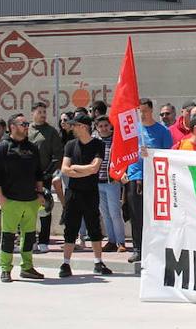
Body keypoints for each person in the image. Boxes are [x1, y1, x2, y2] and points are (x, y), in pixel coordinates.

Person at [0, 114, 46, 282]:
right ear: (12, 126)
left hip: (31, 200)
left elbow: (38, 173)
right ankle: (5, 269)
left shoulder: (32, 147)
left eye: (27, 124)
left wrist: (40, 193)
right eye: (23, 124)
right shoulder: (3, 147)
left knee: (28, 236)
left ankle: (27, 267)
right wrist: (0, 197)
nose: (27, 126)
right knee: (8, 236)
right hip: (11, 200)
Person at [57, 114, 111, 277]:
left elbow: (95, 168)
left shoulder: (98, 145)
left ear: (83, 127)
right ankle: (66, 264)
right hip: (73, 192)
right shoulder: (70, 145)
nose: (72, 128)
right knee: (71, 227)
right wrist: (84, 171)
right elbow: (64, 169)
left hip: (90, 192)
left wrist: (76, 168)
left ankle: (98, 262)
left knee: (94, 226)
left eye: (75, 125)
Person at [125, 99, 172, 264]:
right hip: (135, 175)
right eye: (139, 112)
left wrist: (151, 153)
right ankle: (137, 248)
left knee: (152, 216)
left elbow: (168, 155)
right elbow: (125, 151)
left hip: (153, 178)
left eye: (144, 111)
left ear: (151, 110)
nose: (142, 115)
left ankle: (155, 248)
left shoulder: (162, 131)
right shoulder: (133, 130)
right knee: (136, 214)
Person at [27, 101, 65, 254]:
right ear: (33, 113)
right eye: (40, 112)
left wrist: (47, 173)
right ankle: (29, 240)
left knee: (44, 208)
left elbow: (57, 155)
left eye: (44, 112)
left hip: (44, 177)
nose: (43, 115)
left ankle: (43, 240)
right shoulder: (26, 130)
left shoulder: (51, 132)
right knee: (28, 210)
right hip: (27, 177)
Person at [94, 115, 127, 252]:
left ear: (110, 126)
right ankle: (111, 240)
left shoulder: (116, 140)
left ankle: (121, 242)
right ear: (97, 128)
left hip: (112, 181)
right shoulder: (95, 141)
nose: (104, 128)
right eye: (100, 126)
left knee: (114, 212)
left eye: (106, 125)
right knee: (105, 213)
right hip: (98, 182)